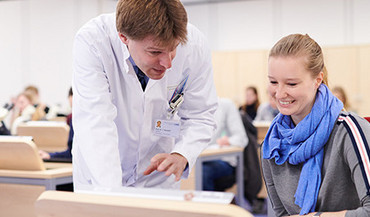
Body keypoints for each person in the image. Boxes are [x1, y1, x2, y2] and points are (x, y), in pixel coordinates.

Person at [72, 0, 217, 190]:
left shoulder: (194, 45)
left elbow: (201, 114)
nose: (167, 64)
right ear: (124, 37)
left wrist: (182, 153)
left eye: (173, 49)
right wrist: (111, 195)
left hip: (158, 178)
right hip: (100, 175)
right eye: (155, 52)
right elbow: (95, 122)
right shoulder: (93, 42)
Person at [262, 33, 370, 217]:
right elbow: (281, 214)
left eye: (291, 83)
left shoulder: (349, 130)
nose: (279, 94)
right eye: (273, 82)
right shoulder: (274, 142)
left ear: (317, 80)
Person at [202, 98, 247, 191]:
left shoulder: (225, 105)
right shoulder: (189, 109)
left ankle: (208, 205)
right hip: (197, 160)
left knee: (202, 171)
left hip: (223, 160)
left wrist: (229, 141)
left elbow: (241, 138)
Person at [39, 87, 74, 161]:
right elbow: (71, 152)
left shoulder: (74, 119)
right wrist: (49, 155)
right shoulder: (72, 119)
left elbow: (71, 153)